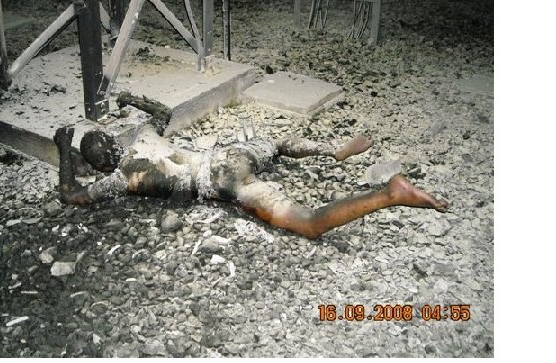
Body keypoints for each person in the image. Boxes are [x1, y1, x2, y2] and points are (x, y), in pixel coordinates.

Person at [53, 97, 448, 240]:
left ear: (100, 164)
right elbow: (163, 113)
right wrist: (131, 100)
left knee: (308, 222)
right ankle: (333, 151)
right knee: (277, 143)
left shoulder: (121, 177)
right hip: (228, 155)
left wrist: (62, 148)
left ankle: (389, 195)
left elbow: (71, 195)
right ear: (114, 141)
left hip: (220, 181)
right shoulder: (143, 138)